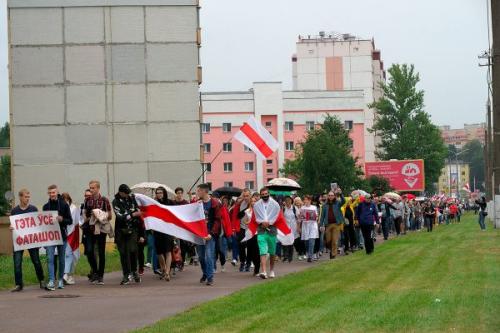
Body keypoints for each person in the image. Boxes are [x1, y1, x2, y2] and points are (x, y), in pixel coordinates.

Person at [10, 189, 46, 292]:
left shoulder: (33, 209)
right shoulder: (14, 211)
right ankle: (18, 284)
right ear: (20, 197)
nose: (27, 199)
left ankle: (41, 280)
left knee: (36, 261)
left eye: (28, 197)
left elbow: (38, 225)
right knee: (17, 263)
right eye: (26, 197)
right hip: (19, 241)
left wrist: (39, 240)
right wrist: (11, 227)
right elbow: (13, 225)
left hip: (32, 240)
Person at [112, 184, 144, 285]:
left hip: (133, 228)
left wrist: (142, 233)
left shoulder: (132, 199)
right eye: (126, 193)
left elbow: (138, 212)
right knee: (123, 253)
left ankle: (134, 271)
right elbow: (121, 217)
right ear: (121, 192)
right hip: (121, 230)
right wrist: (132, 214)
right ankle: (126, 274)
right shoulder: (115, 201)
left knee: (133, 250)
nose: (127, 195)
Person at [82, 180, 112, 285]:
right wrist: (87, 218)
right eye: (90, 187)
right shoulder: (88, 200)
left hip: (101, 229)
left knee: (101, 252)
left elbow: (110, 215)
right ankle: (94, 271)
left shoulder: (104, 200)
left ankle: (100, 275)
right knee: (89, 251)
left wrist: (100, 214)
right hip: (90, 229)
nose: (91, 189)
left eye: (93, 188)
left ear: (98, 188)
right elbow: (84, 213)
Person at [43, 184, 72, 291]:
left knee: (61, 259)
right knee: (50, 259)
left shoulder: (64, 205)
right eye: (50, 193)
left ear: (57, 192)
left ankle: (60, 279)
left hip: (62, 236)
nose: (52, 194)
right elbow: (43, 223)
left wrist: (62, 219)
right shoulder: (45, 207)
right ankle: (51, 280)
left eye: (53, 192)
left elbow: (70, 221)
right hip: (50, 237)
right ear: (48, 193)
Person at [252, 187, 281, 279]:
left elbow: (277, 216)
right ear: (260, 195)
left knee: (272, 252)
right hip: (261, 230)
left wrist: (269, 223)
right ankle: (264, 271)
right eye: (263, 194)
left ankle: (271, 270)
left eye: (266, 194)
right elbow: (256, 217)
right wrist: (261, 222)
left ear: (269, 194)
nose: (264, 196)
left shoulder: (275, 204)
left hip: (272, 230)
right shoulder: (256, 205)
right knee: (263, 251)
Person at [196, 183, 221, 286]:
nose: (197, 193)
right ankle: (205, 273)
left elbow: (218, 220)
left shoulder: (215, 203)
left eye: (198, 191)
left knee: (209, 256)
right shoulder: (197, 203)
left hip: (210, 235)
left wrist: (211, 233)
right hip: (199, 234)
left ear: (204, 191)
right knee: (201, 257)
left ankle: (210, 277)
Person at [168, 187, 192, 269]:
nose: (179, 194)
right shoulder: (173, 202)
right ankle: (176, 262)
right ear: (176, 194)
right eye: (178, 193)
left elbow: (190, 210)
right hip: (175, 227)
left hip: (183, 226)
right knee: (175, 245)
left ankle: (182, 261)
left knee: (183, 245)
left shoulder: (185, 203)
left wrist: (190, 197)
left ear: (182, 194)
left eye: (180, 193)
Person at [320, 190, 345, 259]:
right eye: (329, 195)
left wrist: (340, 193)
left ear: (334, 196)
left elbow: (344, 201)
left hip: (336, 224)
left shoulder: (337, 203)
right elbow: (322, 216)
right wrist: (321, 225)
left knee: (334, 240)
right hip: (328, 225)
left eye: (332, 195)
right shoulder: (325, 205)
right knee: (328, 240)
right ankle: (331, 250)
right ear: (328, 196)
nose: (330, 197)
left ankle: (333, 254)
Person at [62, 192, 80, 285]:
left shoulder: (73, 208)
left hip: (72, 234)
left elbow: (76, 222)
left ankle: (68, 275)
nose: (65, 202)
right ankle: (66, 274)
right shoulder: (60, 209)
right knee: (66, 255)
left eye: (66, 200)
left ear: (69, 200)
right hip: (63, 234)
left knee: (71, 254)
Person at [232, 189, 252, 272]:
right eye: (244, 196)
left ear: (250, 195)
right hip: (241, 228)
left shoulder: (253, 204)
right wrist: (234, 228)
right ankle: (242, 262)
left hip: (251, 228)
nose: (246, 197)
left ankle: (248, 263)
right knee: (241, 246)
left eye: (247, 196)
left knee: (250, 247)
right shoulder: (239, 204)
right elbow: (235, 216)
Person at [300, 195, 319, 262]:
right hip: (305, 226)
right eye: (304, 200)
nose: (305, 201)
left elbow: (316, 216)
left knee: (311, 241)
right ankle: (309, 253)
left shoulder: (314, 207)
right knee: (306, 242)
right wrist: (301, 217)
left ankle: (310, 256)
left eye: (307, 200)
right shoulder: (302, 208)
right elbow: (301, 217)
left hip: (312, 226)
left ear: (310, 200)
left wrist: (315, 217)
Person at [282, 196, 299, 262]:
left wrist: (298, 227)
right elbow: (282, 218)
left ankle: (290, 256)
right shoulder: (283, 209)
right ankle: (285, 255)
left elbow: (298, 218)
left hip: (293, 227)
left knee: (291, 242)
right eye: (286, 200)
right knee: (285, 241)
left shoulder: (294, 208)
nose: (287, 202)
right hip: (286, 227)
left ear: (291, 201)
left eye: (289, 200)